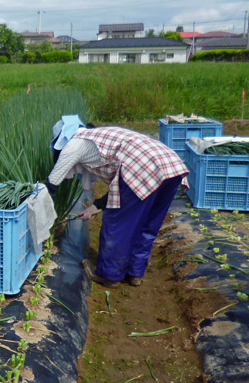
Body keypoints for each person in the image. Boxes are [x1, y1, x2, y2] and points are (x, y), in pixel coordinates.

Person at [45, 116, 188, 288]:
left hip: (142, 166)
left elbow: (51, 185)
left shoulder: (73, 145)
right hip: (171, 165)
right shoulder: (97, 136)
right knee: (148, 223)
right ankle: (135, 274)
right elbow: (122, 187)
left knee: (117, 223)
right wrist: (97, 205)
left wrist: (44, 216)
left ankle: (110, 276)